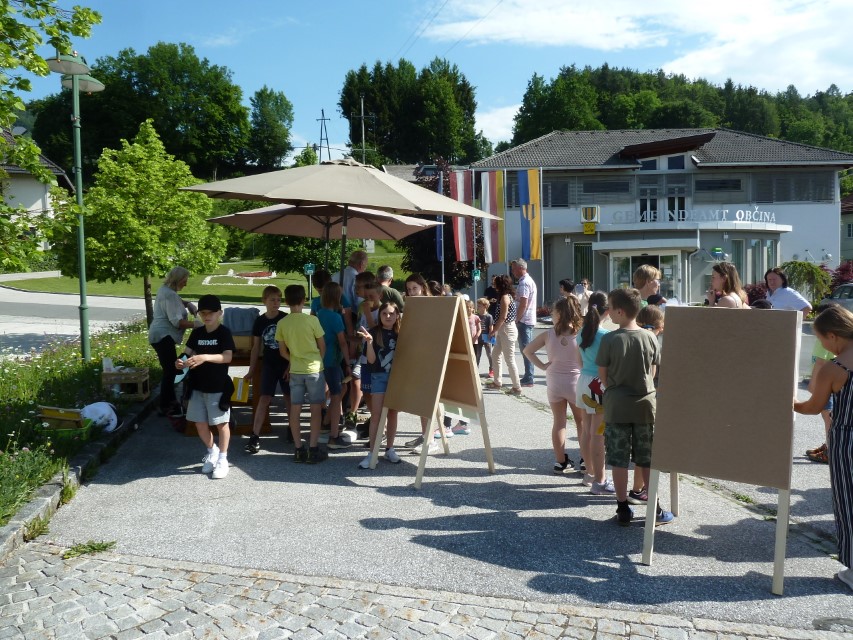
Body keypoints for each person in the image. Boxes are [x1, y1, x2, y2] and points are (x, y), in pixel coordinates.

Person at [597, 288, 673, 526]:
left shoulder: (609, 339)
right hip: (645, 407)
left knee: (619, 459)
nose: (609, 312)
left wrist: (615, 387)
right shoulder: (650, 337)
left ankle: (622, 508)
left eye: (611, 308)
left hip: (617, 406)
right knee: (646, 459)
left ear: (620, 311)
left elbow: (603, 375)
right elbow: (654, 371)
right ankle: (655, 507)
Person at [793, 305, 853, 592]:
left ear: (833, 336)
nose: (822, 345)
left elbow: (813, 406)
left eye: (821, 339)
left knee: (848, 501)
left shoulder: (835, 367)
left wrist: (791, 403)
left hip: (846, 440)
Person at [522, 297, 587, 479]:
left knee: (559, 422)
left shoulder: (548, 334)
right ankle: (585, 459)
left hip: (554, 382)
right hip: (575, 383)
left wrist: (542, 366)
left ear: (558, 315)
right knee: (581, 422)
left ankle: (560, 462)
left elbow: (527, 350)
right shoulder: (580, 334)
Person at [176, 294, 235, 479]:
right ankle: (212, 451)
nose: (207, 316)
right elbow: (186, 353)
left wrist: (205, 357)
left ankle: (223, 459)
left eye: (211, 313)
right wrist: (180, 362)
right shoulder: (197, 333)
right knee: (199, 423)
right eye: (203, 313)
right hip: (197, 386)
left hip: (218, 386)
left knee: (221, 424)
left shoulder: (224, 332)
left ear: (220, 313)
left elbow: (227, 357)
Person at [275, 285, 328, 464]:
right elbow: (322, 346)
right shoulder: (312, 320)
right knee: (315, 410)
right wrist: (318, 361)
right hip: (314, 369)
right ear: (304, 300)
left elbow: (282, 351)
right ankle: (313, 448)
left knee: (295, 409)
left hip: (295, 370)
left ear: (286, 301)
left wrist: (294, 359)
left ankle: (298, 449)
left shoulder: (282, 323)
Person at [576, 292, 614, 494]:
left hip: (583, 382)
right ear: (607, 311)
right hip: (598, 385)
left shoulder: (582, 332)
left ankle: (590, 473)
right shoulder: (606, 335)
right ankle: (600, 479)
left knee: (586, 430)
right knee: (598, 433)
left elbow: (579, 362)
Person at [244, 286, 289, 455]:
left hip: (285, 363)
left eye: (278, 300)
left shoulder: (285, 318)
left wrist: (291, 366)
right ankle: (254, 436)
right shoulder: (260, 321)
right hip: (269, 364)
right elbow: (256, 347)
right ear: (264, 301)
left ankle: (292, 429)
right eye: (272, 300)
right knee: (264, 398)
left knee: (289, 397)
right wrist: (251, 370)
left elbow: (293, 345)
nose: (276, 303)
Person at [357, 302, 403, 469]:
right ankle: (372, 452)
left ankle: (390, 449)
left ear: (397, 315)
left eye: (391, 313)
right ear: (380, 315)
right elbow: (371, 360)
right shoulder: (374, 332)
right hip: (379, 377)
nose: (388, 316)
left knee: (392, 414)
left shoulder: (401, 333)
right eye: (384, 313)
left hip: (396, 379)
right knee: (376, 415)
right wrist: (369, 343)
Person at [148, 267, 197, 417]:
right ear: (177, 280)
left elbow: (177, 300)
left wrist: (188, 304)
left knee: (170, 371)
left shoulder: (165, 290)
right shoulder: (169, 295)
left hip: (160, 335)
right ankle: (167, 406)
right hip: (163, 336)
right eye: (184, 281)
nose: (186, 284)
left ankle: (170, 403)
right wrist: (198, 325)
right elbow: (177, 322)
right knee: (170, 371)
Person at [316, 282, 352, 450]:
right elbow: (342, 342)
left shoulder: (319, 314)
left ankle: (326, 422)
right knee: (337, 395)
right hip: (332, 361)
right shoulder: (335, 318)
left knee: (342, 388)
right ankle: (334, 436)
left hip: (322, 360)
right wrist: (349, 362)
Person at [805, 302, 840, 463]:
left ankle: (831, 449)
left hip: (824, 383)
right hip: (830, 382)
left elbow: (820, 362)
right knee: (828, 416)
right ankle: (829, 444)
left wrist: (813, 383)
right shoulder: (833, 336)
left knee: (828, 416)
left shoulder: (824, 338)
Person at [488, 275, 522, 395]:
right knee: (495, 354)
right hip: (504, 329)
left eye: (495, 283)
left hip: (506, 329)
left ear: (500, 285)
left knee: (509, 359)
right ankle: (497, 382)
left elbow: (503, 317)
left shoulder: (504, 298)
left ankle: (517, 387)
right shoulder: (506, 296)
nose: (494, 285)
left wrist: (493, 331)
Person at [512, 259, 538, 387]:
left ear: (521, 268)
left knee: (526, 350)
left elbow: (523, 303)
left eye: (514, 269)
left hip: (524, 320)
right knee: (527, 349)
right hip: (527, 319)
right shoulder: (527, 280)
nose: (513, 272)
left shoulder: (524, 282)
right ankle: (528, 376)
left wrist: (517, 318)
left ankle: (529, 377)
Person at [475, 297, 495, 378]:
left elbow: (491, 328)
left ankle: (492, 369)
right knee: (477, 354)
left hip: (487, 337)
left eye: (479, 306)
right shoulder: (476, 316)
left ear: (485, 306)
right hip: (478, 337)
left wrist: (491, 336)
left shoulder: (489, 316)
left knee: (489, 354)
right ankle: (475, 370)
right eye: (478, 305)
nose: (478, 307)